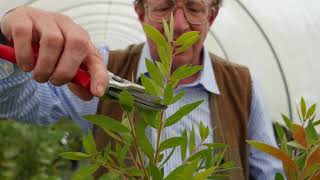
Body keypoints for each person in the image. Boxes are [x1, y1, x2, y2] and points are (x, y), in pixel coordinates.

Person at [0, 0, 283, 179]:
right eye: (164, 8)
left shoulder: (244, 87)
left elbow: (269, 173)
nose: (179, 25)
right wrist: (10, 39)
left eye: (195, 8)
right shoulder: (102, 70)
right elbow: (18, 105)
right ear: (140, 13)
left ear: (211, 16)